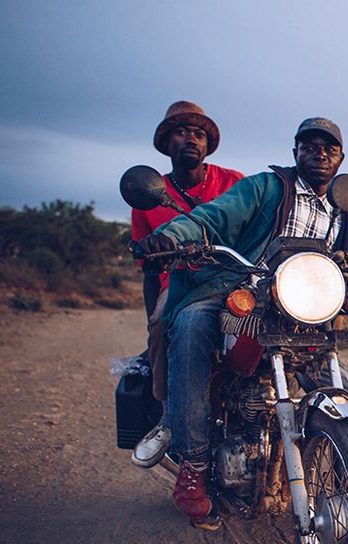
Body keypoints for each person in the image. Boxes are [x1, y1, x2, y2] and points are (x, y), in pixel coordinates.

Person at [136, 117, 348, 529]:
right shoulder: (266, 187)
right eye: (309, 145)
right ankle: (195, 465)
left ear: (341, 158)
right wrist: (171, 236)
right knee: (189, 327)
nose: (319, 152)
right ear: (295, 151)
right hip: (239, 290)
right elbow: (212, 217)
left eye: (329, 147)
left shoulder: (342, 212)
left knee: (341, 382)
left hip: (301, 309)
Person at [129, 101, 244, 468]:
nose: (190, 139)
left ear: (208, 143)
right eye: (181, 132)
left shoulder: (234, 184)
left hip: (233, 279)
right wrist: (154, 327)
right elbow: (149, 269)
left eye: (198, 133)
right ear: (167, 143)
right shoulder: (150, 194)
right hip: (179, 284)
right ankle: (169, 420)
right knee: (168, 325)